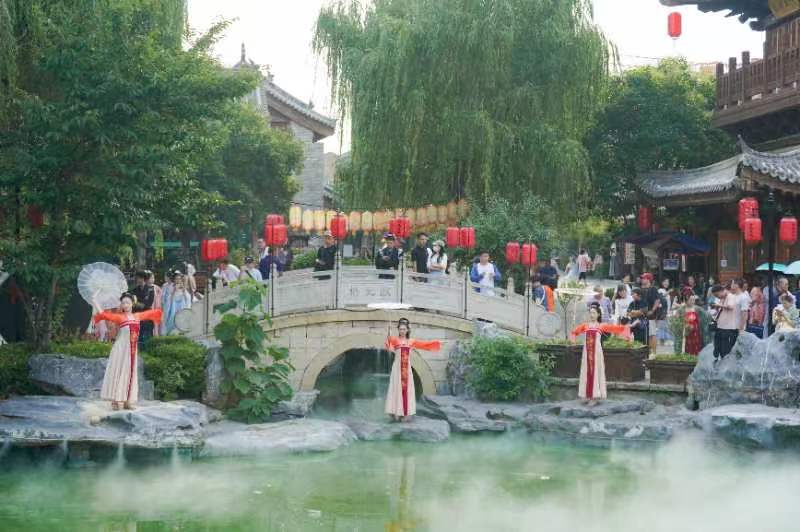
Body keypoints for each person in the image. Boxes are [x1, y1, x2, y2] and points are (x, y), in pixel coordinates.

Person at [92, 293, 162, 410]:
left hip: (132, 350)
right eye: (123, 303)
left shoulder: (137, 316)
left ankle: (128, 400)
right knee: (119, 372)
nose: (125, 305)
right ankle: (117, 399)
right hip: (121, 349)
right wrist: (95, 301)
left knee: (130, 374)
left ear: (132, 304)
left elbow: (153, 313)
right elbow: (104, 315)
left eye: (128, 302)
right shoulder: (120, 317)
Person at [570, 306, 630, 405]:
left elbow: (615, 329)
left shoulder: (601, 326)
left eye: (594, 313)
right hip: (586, 353)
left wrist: (627, 329)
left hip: (596, 353)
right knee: (586, 372)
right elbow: (574, 332)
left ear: (598, 314)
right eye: (590, 313)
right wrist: (573, 341)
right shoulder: (585, 325)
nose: (591, 315)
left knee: (596, 372)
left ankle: (595, 397)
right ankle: (586, 395)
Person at [384, 318, 441, 421]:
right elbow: (388, 344)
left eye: (404, 329)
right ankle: (395, 411)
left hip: (406, 370)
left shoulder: (411, 341)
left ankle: (405, 413)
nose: (402, 331)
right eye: (400, 329)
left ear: (407, 330)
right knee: (396, 389)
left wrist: (437, 343)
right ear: (398, 330)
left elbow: (424, 345)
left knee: (406, 391)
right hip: (397, 369)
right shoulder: (395, 340)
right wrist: (389, 331)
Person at [710, 284, 738, 363]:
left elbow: (731, 307)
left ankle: (726, 365)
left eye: (717, 295)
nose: (717, 297)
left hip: (728, 329)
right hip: (720, 327)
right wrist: (716, 308)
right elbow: (721, 310)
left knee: (725, 351)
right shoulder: (722, 299)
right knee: (717, 349)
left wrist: (719, 305)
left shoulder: (731, 297)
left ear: (721, 291)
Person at [131, 270, 155, 346]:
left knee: (147, 335)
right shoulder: (134, 290)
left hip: (147, 316)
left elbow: (148, 304)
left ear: (143, 278)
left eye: (138, 278)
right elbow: (132, 303)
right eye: (136, 278)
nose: (137, 280)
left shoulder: (150, 289)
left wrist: (137, 304)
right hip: (137, 316)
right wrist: (136, 304)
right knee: (138, 335)